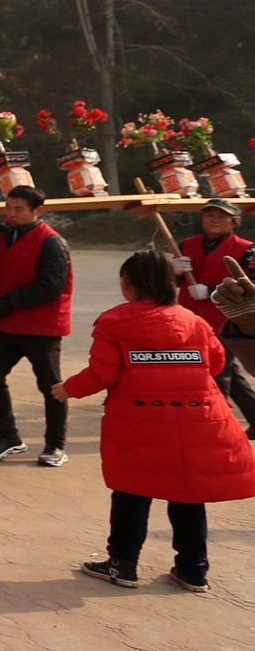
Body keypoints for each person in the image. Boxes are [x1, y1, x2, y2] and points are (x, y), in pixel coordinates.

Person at [52, 250, 255, 592]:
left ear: (126, 285)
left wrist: (67, 390)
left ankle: (122, 564)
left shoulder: (115, 321)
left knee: (132, 493)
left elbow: (103, 373)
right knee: (189, 495)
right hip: (199, 419)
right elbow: (217, 364)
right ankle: (192, 569)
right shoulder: (194, 321)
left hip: (138, 424)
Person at [0, 185, 73, 465]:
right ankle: (8, 437)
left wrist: (10, 300)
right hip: (8, 323)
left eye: (18, 209)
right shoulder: (7, 235)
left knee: (51, 387)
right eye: (8, 208)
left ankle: (55, 446)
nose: (11, 214)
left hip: (42, 327)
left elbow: (51, 287)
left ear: (38, 211)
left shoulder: (52, 242)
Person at [174, 199, 255, 435]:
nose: (215, 220)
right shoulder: (186, 245)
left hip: (226, 322)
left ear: (235, 222)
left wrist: (209, 291)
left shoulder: (247, 249)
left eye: (222, 216)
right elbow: (170, 283)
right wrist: (173, 270)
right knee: (227, 372)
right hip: (189, 320)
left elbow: (250, 285)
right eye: (209, 215)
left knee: (219, 373)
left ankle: (219, 424)